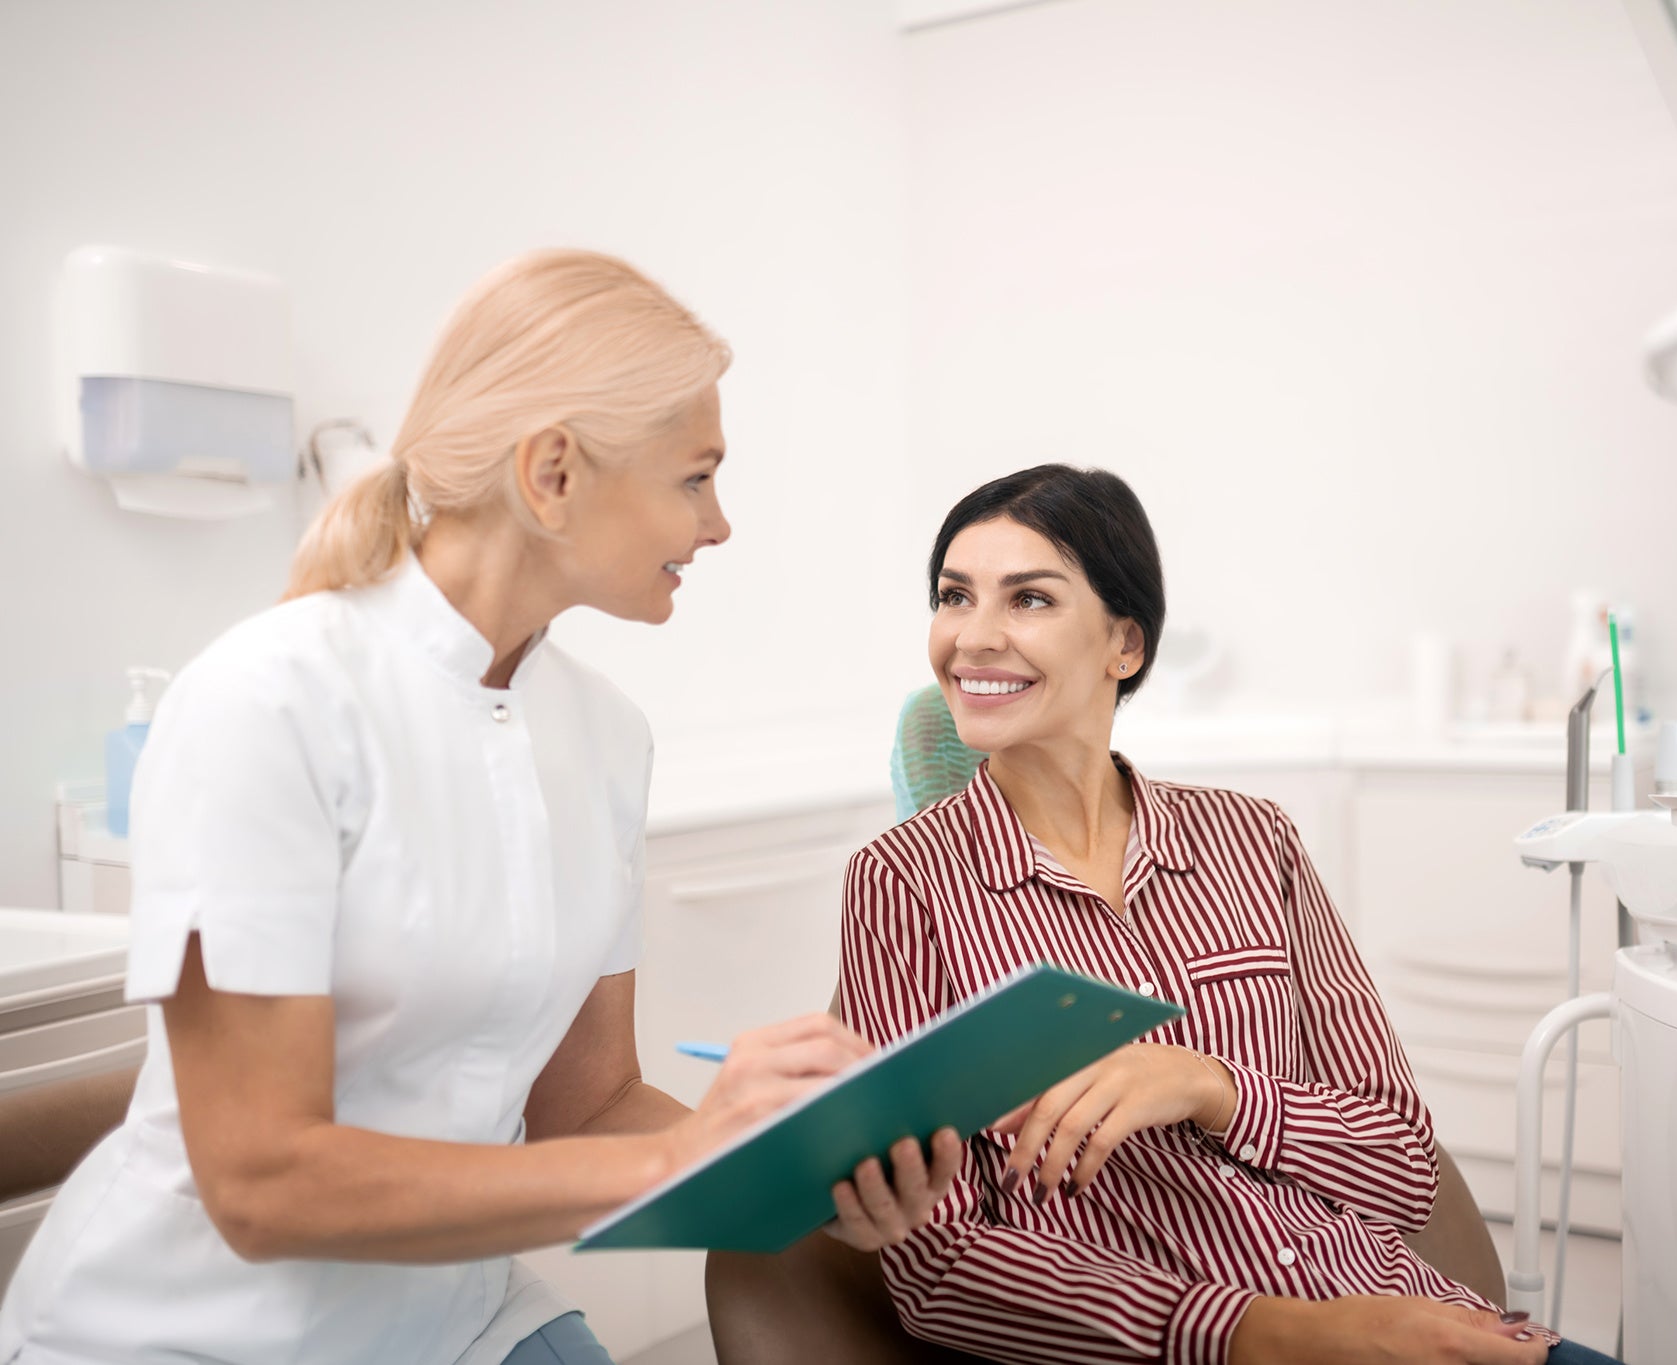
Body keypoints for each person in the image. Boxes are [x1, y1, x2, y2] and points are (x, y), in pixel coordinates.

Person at [0, 250, 961, 1365]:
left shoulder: (602, 736)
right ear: (552, 472)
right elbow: (258, 1185)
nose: (719, 526)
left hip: (459, 1322)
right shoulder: (270, 702)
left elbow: (588, 1109)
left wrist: (795, 1165)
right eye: (694, 478)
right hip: (201, 1335)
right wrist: (682, 1160)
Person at [839, 464, 1621, 1365]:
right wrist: (1268, 1333)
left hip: (1414, 1323)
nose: (972, 638)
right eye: (954, 596)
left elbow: (1406, 1167)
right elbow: (939, 1268)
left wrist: (1216, 1087)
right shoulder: (903, 882)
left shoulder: (1253, 839)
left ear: (1123, 645)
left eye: (1029, 600)